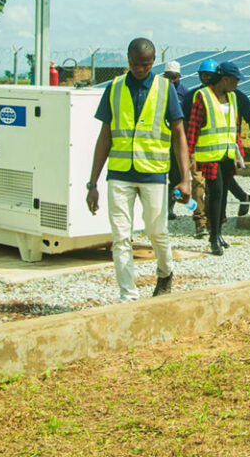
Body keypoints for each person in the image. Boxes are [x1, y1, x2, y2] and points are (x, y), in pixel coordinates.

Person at [86, 38, 192, 303]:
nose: (140, 69)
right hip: (120, 175)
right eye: (135, 64)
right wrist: (92, 183)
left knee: (157, 232)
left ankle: (165, 273)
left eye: (145, 64)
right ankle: (128, 295)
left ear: (153, 62)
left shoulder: (165, 89)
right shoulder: (114, 88)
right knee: (121, 237)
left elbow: (179, 134)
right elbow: (105, 137)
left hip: (153, 174)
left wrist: (185, 179)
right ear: (128, 60)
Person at [186, 61, 250, 256]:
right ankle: (213, 237)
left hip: (227, 155)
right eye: (235, 80)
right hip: (209, 156)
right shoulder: (203, 97)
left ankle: (220, 233)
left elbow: (235, 129)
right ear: (224, 79)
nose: (237, 84)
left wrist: (239, 152)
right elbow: (194, 127)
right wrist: (189, 155)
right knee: (214, 194)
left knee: (223, 195)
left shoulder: (232, 98)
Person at [162, 60, 204, 235]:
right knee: (172, 175)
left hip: (182, 140)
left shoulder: (186, 95)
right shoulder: (158, 92)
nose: (171, 80)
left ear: (179, 77)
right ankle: (170, 207)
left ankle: (184, 204)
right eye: (168, 77)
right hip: (164, 139)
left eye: (174, 77)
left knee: (184, 175)